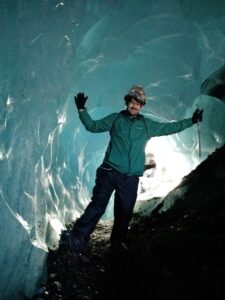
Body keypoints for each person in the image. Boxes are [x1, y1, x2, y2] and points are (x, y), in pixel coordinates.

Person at [63, 84, 203, 254]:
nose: (135, 105)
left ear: (142, 105)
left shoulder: (146, 125)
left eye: (139, 102)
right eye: (133, 101)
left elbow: (170, 128)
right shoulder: (115, 119)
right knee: (98, 205)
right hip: (109, 172)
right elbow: (92, 126)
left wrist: (192, 120)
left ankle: (117, 243)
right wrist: (81, 110)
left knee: (125, 212)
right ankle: (78, 237)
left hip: (130, 177)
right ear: (127, 101)